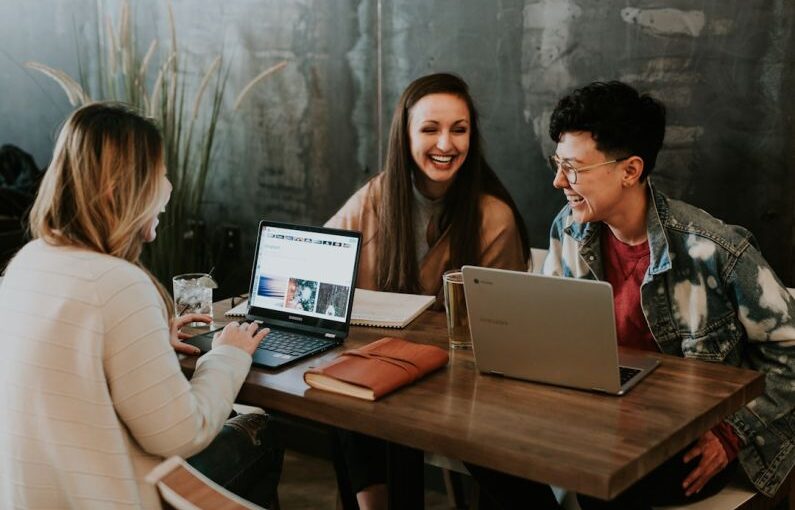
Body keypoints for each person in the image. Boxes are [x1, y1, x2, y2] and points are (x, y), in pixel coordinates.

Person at [472, 81, 795, 509]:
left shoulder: (714, 250)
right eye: (558, 163)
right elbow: (552, 339)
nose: (557, 181)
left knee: (603, 472)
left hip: (684, 437)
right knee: (482, 445)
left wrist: (732, 431)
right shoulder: (568, 230)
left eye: (573, 168)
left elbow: (789, 349)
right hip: (600, 417)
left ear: (630, 171)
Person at [0, 103, 283, 509]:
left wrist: (146, 340)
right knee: (262, 431)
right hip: (108, 497)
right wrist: (226, 356)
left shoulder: (27, 262)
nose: (168, 189)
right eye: (161, 174)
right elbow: (182, 433)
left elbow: (65, 373)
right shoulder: (119, 284)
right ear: (122, 190)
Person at [325, 72, 530, 509]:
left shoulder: (493, 218)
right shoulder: (379, 196)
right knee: (342, 392)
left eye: (459, 129)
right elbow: (323, 261)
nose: (446, 144)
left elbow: (500, 331)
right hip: (380, 370)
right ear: (405, 135)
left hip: (459, 385)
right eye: (430, 129)